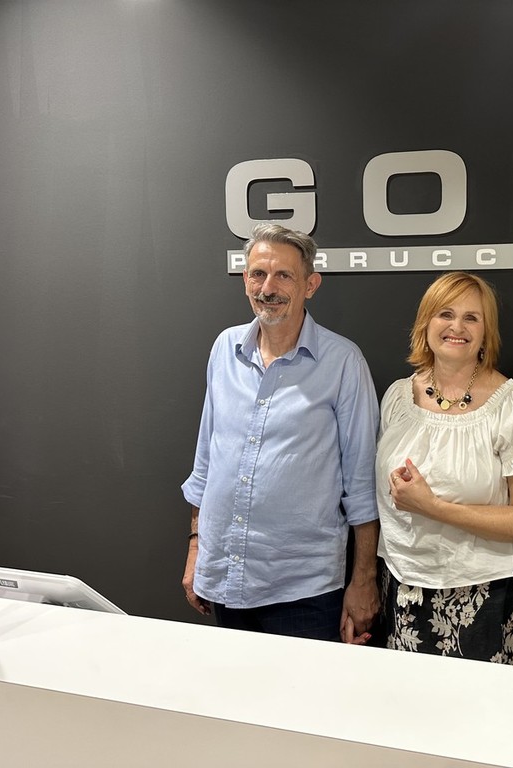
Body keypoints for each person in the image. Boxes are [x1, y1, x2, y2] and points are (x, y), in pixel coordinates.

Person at [181, 222, 380, 644]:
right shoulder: (225, 349)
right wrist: (196, 548)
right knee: (231, 687)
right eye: (258, 274)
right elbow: (206, 462)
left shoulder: (343, 362)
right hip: (225, 576)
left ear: (310, 285)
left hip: (303, 590)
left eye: (283, 275)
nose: (268, 288)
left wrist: (363, 579)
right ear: (245, 280)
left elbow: (362, 484)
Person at [377, 271, 513, 665]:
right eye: (445, 314)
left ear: (486, 332)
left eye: (471, 318)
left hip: (486, 596)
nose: (456, 327)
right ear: (426, 323)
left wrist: (432, 506)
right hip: (405, 590)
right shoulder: (397, 397)